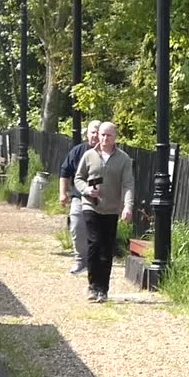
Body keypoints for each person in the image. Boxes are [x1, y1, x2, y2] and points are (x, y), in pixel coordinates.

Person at [73, 122, 134, 303]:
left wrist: (128, 206)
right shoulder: (89, 155)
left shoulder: (123, 159)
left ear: (115, 137)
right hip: (91, 205)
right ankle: (92, 286)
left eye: (108, 135)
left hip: (111, 208)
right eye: (102, 135)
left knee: (106, 248)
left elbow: (128, 184)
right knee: (94, 243)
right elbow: (78, 178)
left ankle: (103, 289)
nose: (104, 138)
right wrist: (86, 190)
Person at [58, 120, 101, 274]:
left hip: (103, 197)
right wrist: (63, 193)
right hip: (80, 195)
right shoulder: (77, 151)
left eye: (98, 132)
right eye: (92, 132)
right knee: (77, 224)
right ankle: (81, 260)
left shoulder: (108, 153)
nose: (95, 136)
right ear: (87, 134)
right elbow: (64, 172)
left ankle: (96, 261)